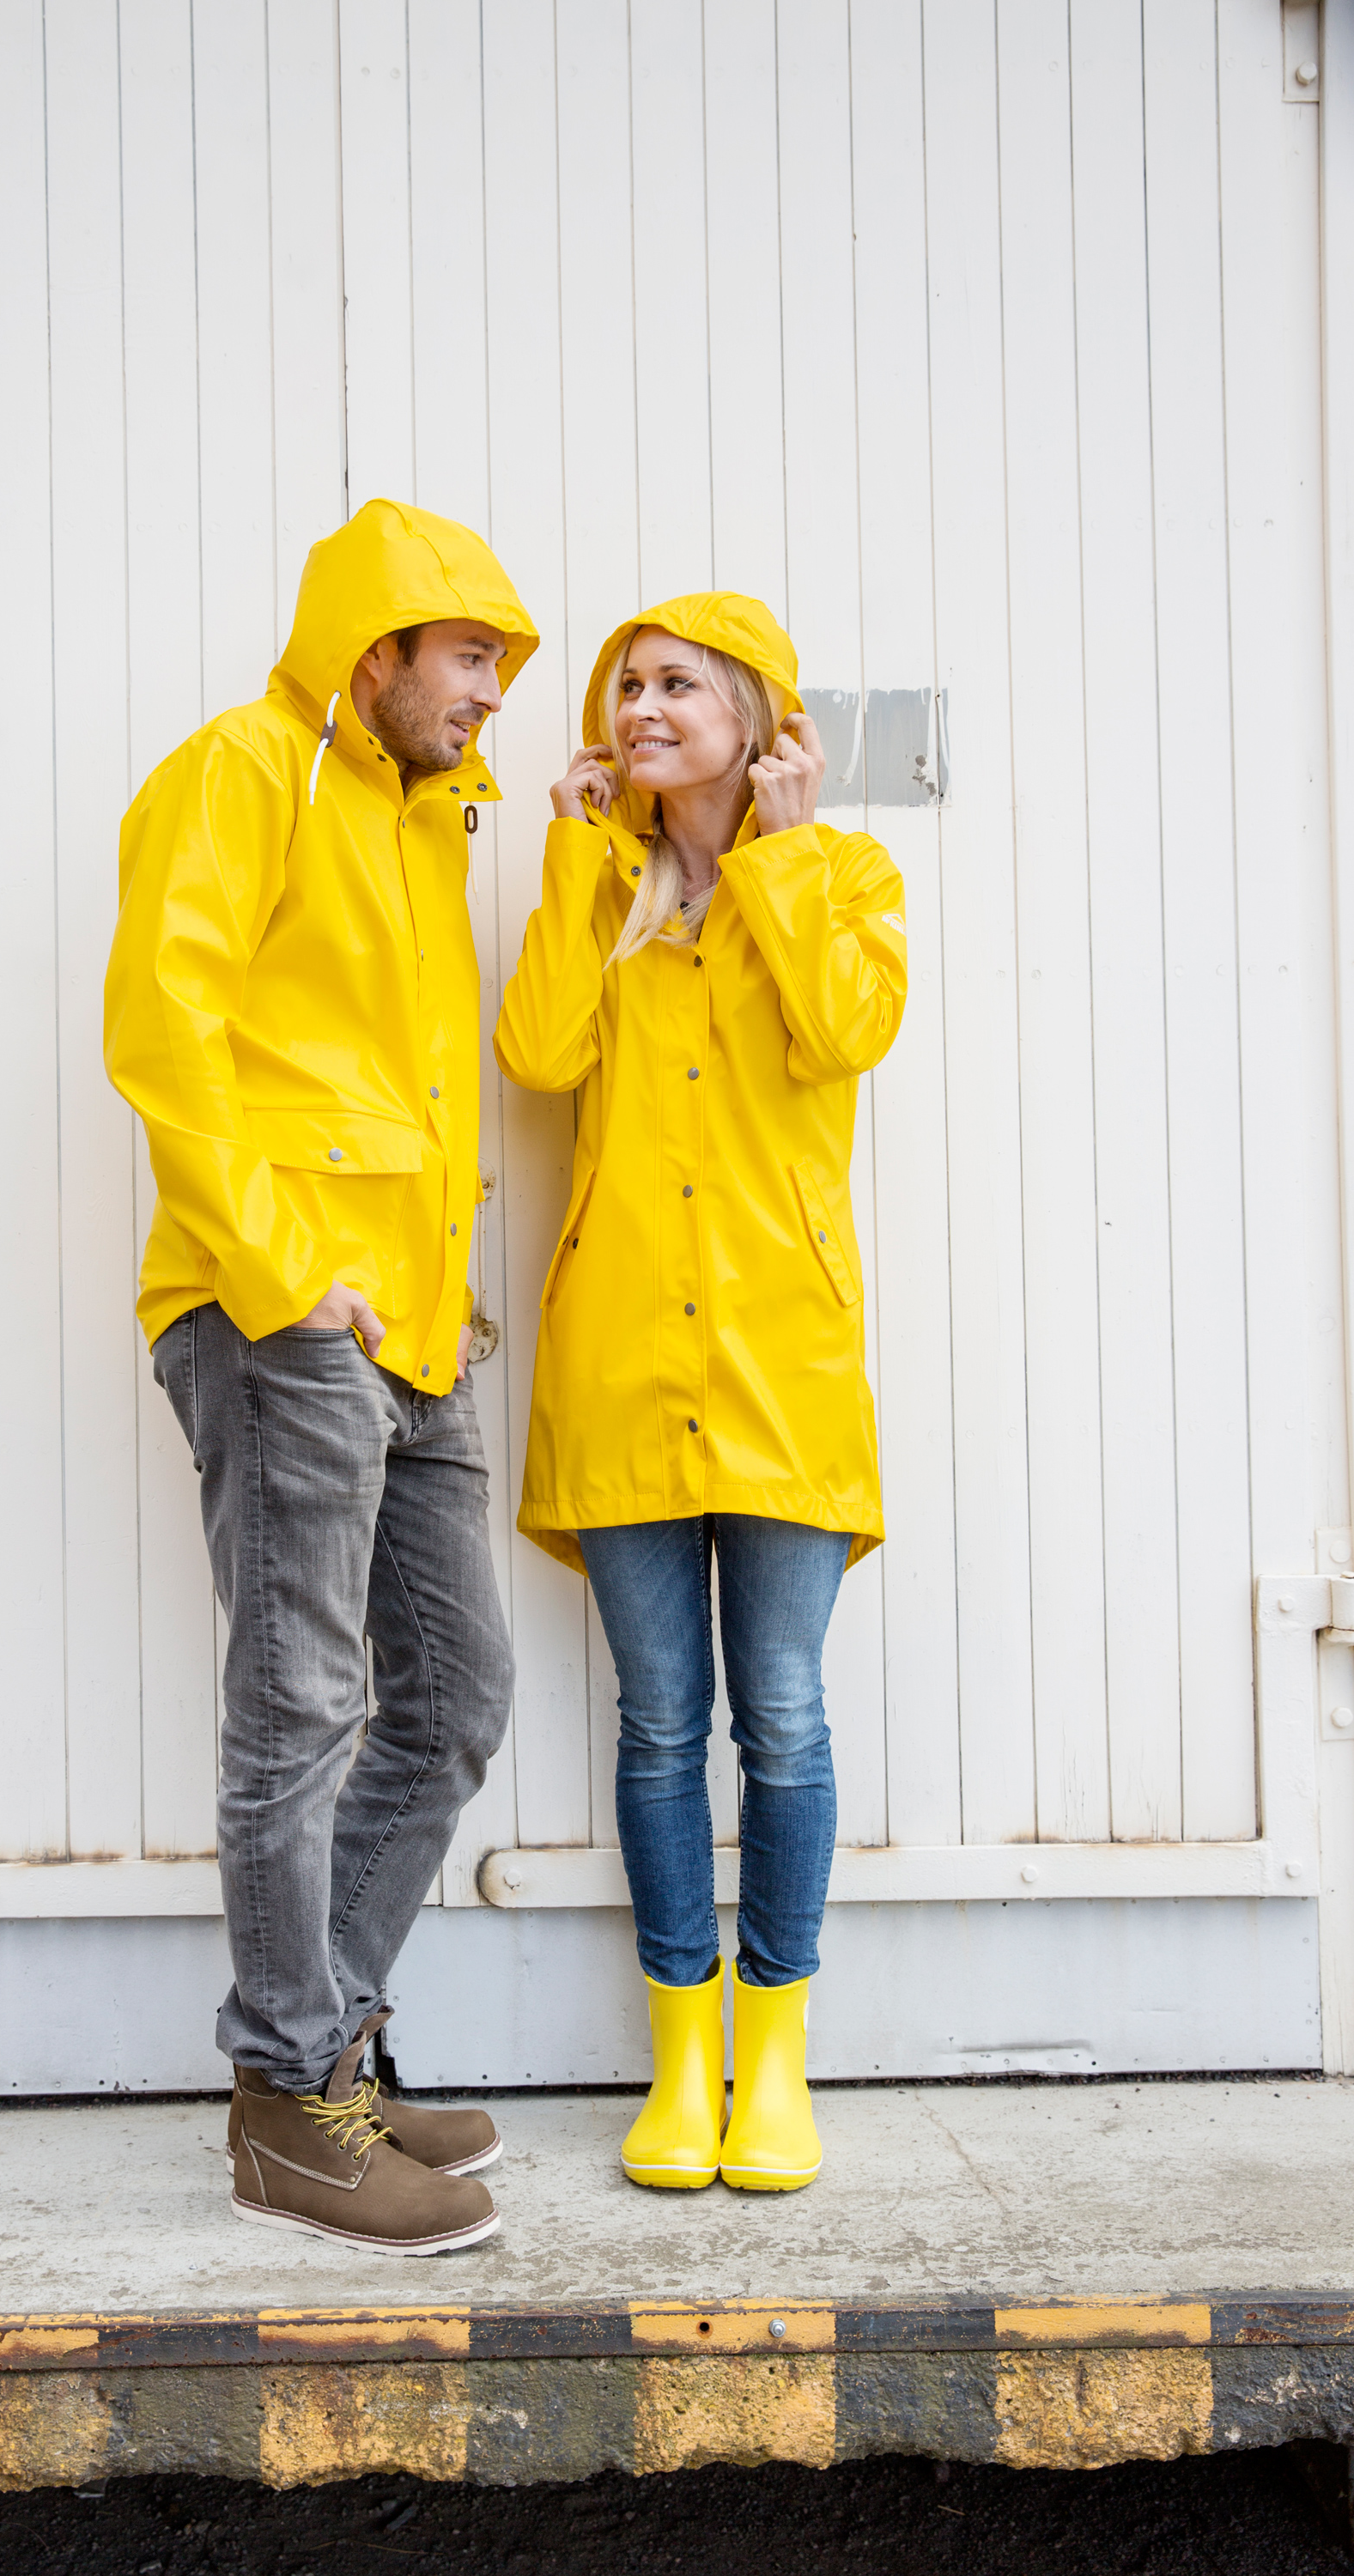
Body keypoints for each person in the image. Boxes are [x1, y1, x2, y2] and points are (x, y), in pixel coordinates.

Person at [105, 500, 537, 2254]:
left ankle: (325, 2054)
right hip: (283, 1314)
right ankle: (290, 2109)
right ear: (377, 651)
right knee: (300, 1703)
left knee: (454, 1699)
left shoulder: (425, 823)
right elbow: (166, 1035)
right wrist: (290, 1283)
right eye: (471, 657)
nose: (494, 695)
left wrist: (425, 1302)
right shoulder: (241, 771)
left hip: (413, 1333)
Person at [494, 594, 906, 2193]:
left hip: (783, 1362)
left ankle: (774, 2061)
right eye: (627, 688)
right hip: (622, 1358)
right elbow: (537, 1055)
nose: (642, 708)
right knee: (662, 1725)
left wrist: (779, 860)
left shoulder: (843, 876)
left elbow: (847, 1029)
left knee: (782, 1718)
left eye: (676, 684)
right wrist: (575, 856)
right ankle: (682, 2064)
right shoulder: (605, 888)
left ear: (756, 716)